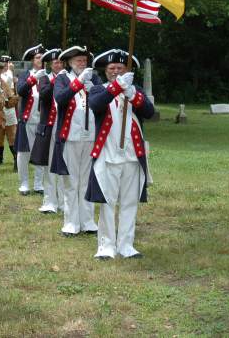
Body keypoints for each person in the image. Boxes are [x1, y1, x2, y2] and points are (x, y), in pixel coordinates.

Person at [86, 49, 155, 259]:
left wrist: (132, 93)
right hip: (108, 156)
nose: (116, 71)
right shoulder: (99, 90)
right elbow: (96, 105)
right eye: (112, 68)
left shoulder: (135, 90)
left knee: (129, 202)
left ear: (127, 69)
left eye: (120, 68)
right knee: (107, 202)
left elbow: (149, 112)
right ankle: (106, 246)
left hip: (132, 156)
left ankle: (126, 245)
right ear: (105, 71)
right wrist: (117, 87)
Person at [52, 45, 102, 236]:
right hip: (70, 137)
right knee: (71, 182)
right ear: (71, 63)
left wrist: (95, 89)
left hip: (91, 137)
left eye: (84, 60)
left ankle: (88, 220)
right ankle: (71, 222)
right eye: (78, 61)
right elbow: (60, 98)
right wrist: (78, 83)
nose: (82, 64)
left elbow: (102, 100)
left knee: (87, 180)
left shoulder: (94, 77)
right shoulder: (63, 78)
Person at [30, 48, 66, 213]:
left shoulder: (69, 79)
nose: (58, 64)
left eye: (60, 62)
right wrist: (56, 81)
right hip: (50, 128)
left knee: (65, 166)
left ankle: (64, 201)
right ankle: (50, 201)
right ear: (50, 64)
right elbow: (43, 95)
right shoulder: (45, 78)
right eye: (55, 62)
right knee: (50, 166)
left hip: (65, 127)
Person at [14, 44, 46, 195]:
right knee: (24, 153)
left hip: (43, 121)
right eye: (38, 57)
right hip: (27, 120)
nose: (41, 60)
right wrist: (33, 79)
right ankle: (24, 183)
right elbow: (20, 90)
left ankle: (39, 183)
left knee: (41, 152)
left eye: (42, 57)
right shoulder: (25, 74)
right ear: (32, 60)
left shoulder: (49, 75)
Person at [0, 57, 18, 167]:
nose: (5, 65)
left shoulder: (10, 73)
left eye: (7, 63)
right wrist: (11, 71)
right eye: (3, 63)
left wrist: (12, 72)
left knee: (12, 135)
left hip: (9, 109)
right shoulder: (1, 75)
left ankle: (16, 160)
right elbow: (6, 81)